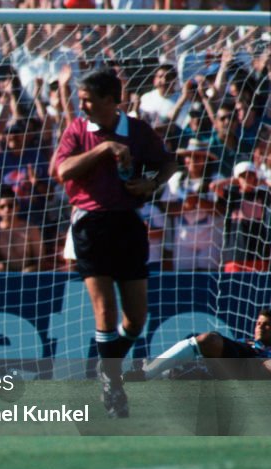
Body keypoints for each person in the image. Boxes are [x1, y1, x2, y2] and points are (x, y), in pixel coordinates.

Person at [51, 68, 177, 418]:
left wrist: (151, 184)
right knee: (104, 311)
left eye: (89, 99)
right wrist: (104, 148)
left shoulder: (136, 130)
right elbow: (62, 171)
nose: (82, 105)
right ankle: (113, 385)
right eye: (81, 98)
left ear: (111, 100)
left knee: (136, 320)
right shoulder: (78, 130)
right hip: (90, 224)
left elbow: (167, 163)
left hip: (128, 225)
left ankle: (108, 367)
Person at [139, 309, 271, 380]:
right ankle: (148, 373)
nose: (261, 327)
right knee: (209, 340)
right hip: (238, 361)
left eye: (266, 324)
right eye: (258, 323)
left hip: (254, 371)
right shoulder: (243, 343)